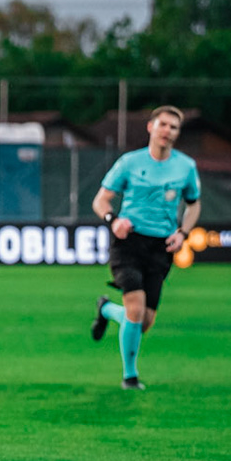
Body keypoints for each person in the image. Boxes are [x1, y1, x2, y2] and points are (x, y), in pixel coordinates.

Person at [88, 105, 200, 390]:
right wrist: (114, 221)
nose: (167, 131)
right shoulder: (129, 163)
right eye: (163, 124)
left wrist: (183, 233)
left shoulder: (185, 167)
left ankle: (105, 310)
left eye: (173, 127)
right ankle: (130, 376)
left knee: (144, 321)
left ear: (177, 133)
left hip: (160, 247)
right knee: (135, 312)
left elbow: (193, 203)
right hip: (129, 242)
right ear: (150, 127)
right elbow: (101, 201)